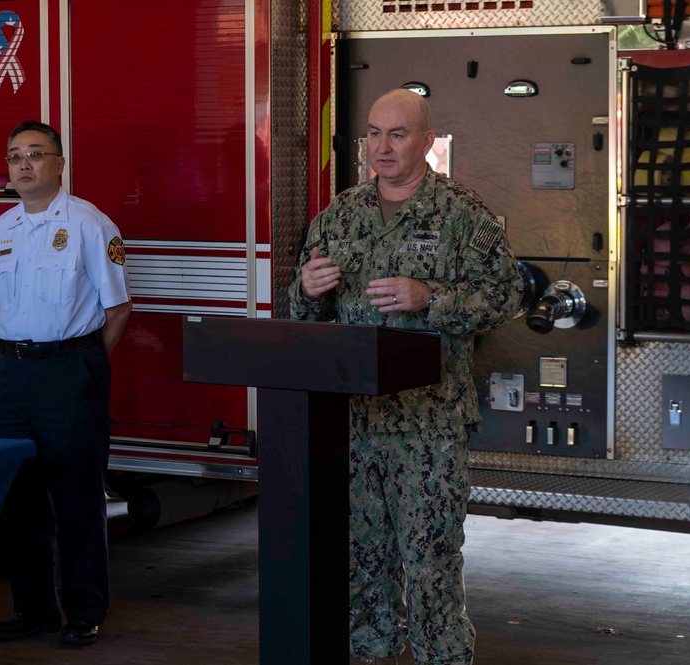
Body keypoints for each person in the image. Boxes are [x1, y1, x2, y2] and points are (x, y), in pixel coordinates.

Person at [287, 89, 522, 665]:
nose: (382, 147)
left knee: (430, 555)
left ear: (425, 140)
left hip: (428, 423)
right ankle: (370, 650)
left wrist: (430, 298)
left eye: (396, 135)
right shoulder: (338, 215)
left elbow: (507, 297)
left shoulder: (464, 216)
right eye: (373, 133)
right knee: (361, 553)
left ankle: (441, 655)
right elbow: (301, 314)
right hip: (353, 422)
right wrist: (306, 291)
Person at [0, 120, 132, 647]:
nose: (24, 165)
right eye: (15, 156)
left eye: (36, 154)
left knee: (77, 498)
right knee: (18, 498)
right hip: (11, 373)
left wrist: (78, 362)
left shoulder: (92, 225)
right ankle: (34, 611)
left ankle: (84, 612)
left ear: (60, 163)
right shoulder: (0, 230)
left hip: (69, 371)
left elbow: (117, 309)